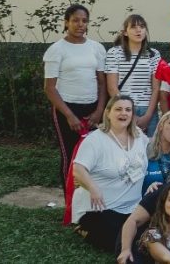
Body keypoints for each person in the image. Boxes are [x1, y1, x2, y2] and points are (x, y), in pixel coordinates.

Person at [71, 95, 147, 253]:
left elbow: (157, 148)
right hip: (102, 209)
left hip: (133, 208)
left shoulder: (139, 136)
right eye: (118, 109)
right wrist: (92, 187)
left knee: (145, 237)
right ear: (107, 113)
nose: (123, 113)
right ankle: (84, 227)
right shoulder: (95, 140)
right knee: (120, 241)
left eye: (128, 110)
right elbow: (78, 169)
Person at [45, 3, 108, 192]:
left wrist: (99, 111)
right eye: (75, 20)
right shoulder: (57, 49)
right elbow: (49, 88)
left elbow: (102, 83)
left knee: (94, 155)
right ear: (66, 22)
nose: (80, 24)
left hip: (92, 109)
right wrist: (69, 116)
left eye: (84, 21)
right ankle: (70, 205)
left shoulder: (96, 48)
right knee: (70, 156)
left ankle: (89, 201)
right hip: (67, 108)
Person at [104, 14, 162, 134]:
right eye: (133, 27)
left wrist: (148, 115)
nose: (138, 30)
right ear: (125, 32)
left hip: (148, 109)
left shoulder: (153, 54)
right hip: (123, 109)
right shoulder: (114, 53)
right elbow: (112, 87)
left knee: (150, 149)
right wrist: (130, 114)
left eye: (142, 26)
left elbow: (156, 88)